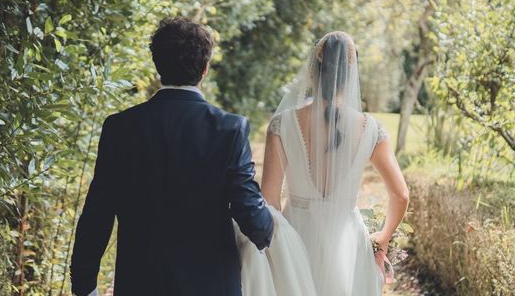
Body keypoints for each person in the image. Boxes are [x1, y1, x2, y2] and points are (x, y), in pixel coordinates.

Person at [70, 17, 274, 296]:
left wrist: (84, 286)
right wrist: (268, 230)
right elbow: (249, 212)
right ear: (205, 69)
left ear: (157, 66)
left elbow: (97, 213)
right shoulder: (229, 129)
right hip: (212, 285)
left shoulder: (120, 127)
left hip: (139, 283)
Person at [253, 31, 409, 296]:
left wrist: (278, 250)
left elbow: (269, 201)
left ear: (313, 71)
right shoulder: (371, 129)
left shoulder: (282, 125)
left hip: (295, 239)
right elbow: (401, 195)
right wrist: (382, 239)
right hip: (348, 244)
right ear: (350, 76)